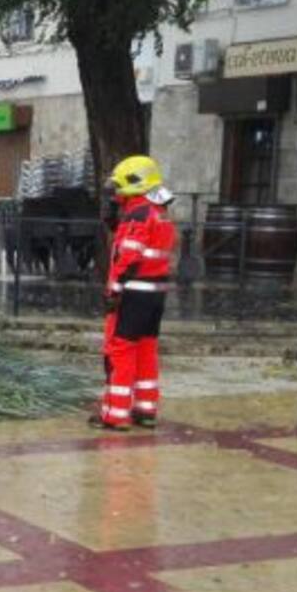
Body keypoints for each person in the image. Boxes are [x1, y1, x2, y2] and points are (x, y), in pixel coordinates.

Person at [92, 155, 178, 431]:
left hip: (133, 293)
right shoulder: (158, 212)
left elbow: (128, 257)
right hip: (155, 293)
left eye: (118, 188)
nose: (115, 194)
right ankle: (145, 409)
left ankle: (115, 415)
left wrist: (113, 291)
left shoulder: (138, 214)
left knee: (120, 349)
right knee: (146, 349)